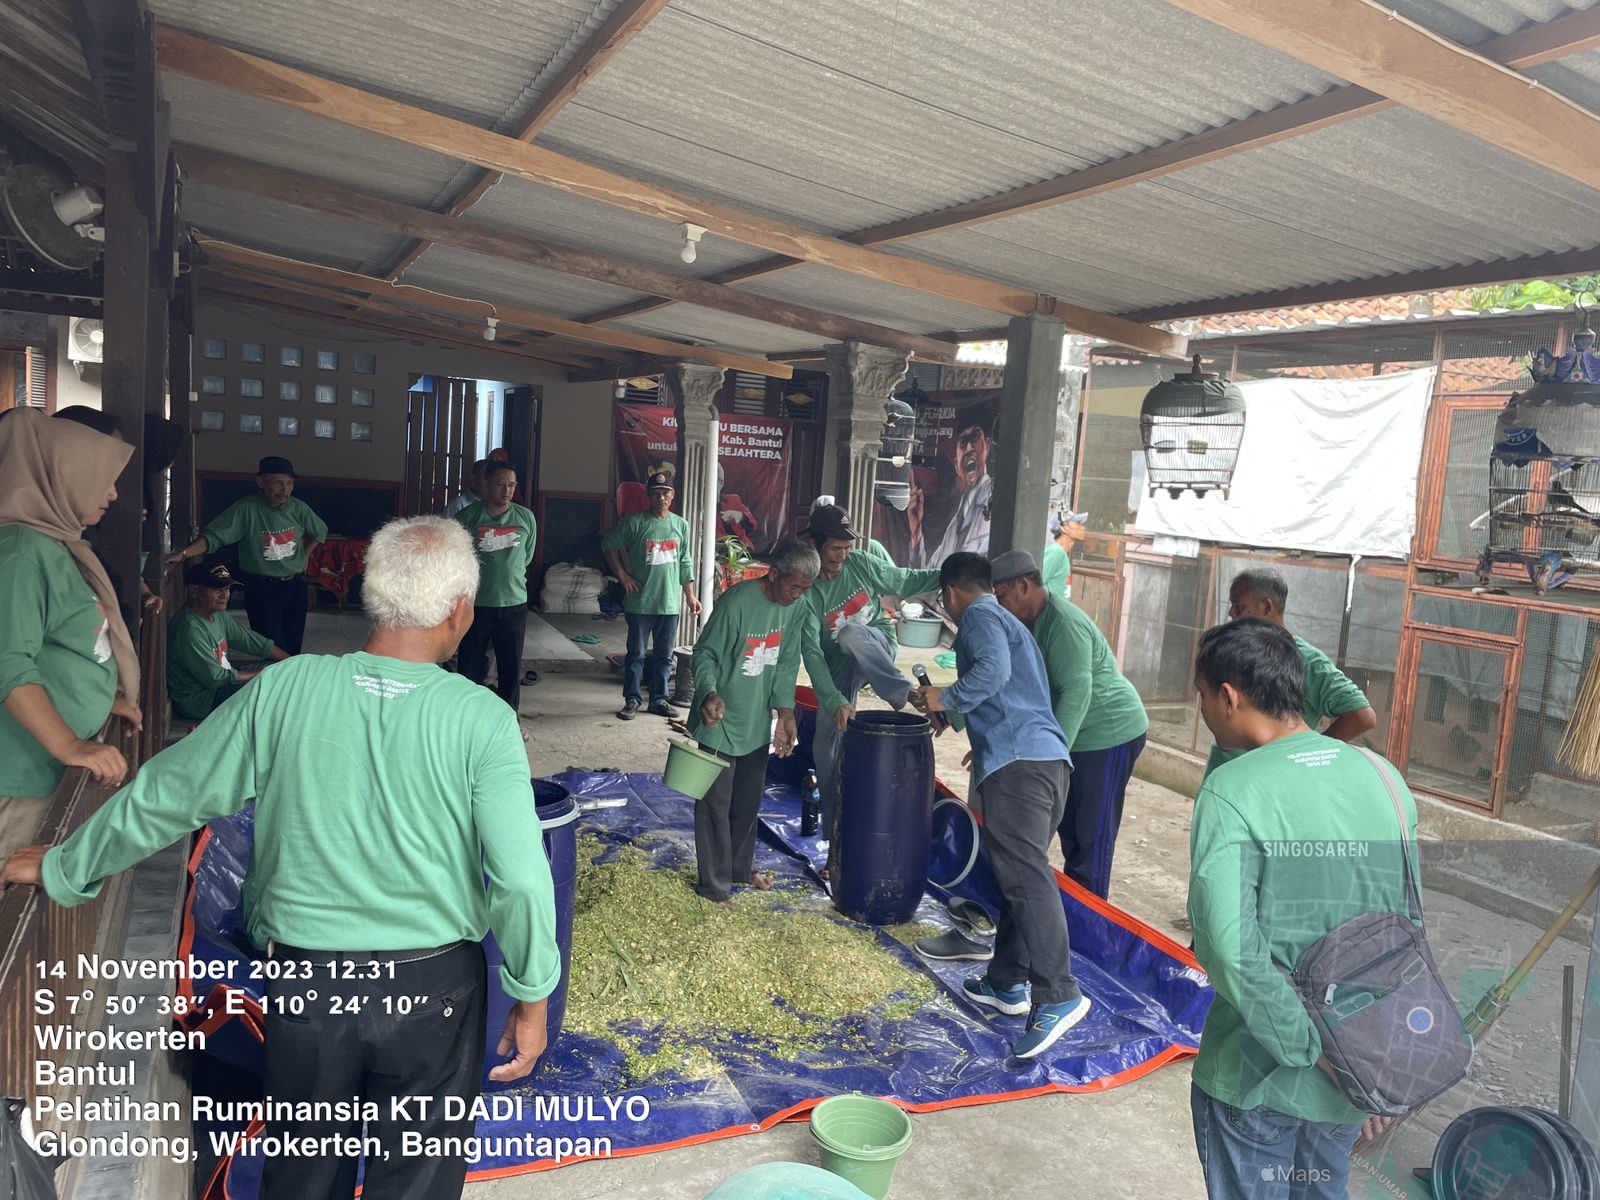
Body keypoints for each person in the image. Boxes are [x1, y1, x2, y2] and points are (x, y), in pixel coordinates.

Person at [2, 516, 561, 1200]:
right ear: (461, 610)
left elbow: (168, 793)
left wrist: (65, 865)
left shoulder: (285, 688)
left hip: (310, 983)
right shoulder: (483, 718)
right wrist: (532, 994)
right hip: (434, 988)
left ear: (369, 594)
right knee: (417, 1176)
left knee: (303, 1174)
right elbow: (520, 878)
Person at [1188, 617, 1418, 1199]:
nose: (1203, 710)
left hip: (1258, 1075)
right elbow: (1405, 932)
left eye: (1202, 695)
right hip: (1353, 1075)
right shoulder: (1384, 778)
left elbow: (1230, 949)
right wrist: (1370, 1066)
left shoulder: (1233, 789)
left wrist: (1313, 1050)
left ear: (1229, 696)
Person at [910, 552, 1090, 1059]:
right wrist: (952, 710)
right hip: (1046, 763)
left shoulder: (979, 617)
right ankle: (1006, 981)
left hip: (1020, 766)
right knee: (1018, 876)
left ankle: (1058, 993)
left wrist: (944, 699)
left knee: (1027, 878)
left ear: (950, 593)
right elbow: (1004, 688)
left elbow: (993, 670)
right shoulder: (1008, 622)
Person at [0, 411, 141, 798]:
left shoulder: (56, 544)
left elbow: (62, 646)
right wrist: (69, 744)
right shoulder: (20, 553)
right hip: (21, 780)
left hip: (47, 772)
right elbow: (7, 660)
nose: (113, 494)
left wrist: (100, 700)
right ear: (61, 477)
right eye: (103, 479)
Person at [991, 550, 1148, 899]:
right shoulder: (1026, 625)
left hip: (1107, 733)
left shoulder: (1063, 624)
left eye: (1002, 596)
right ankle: (1070, 916)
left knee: (1091, 841)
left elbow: (1077, 692)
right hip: (1076, 736)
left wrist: (1053, 756)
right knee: (1072, 832)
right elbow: (1020, 687)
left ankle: (1087, 922)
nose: (1000, 605)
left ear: (1023, 586)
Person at [797, 504, 940, 855]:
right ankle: (834, 840)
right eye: (835, 548)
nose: (842, 555)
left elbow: (903, 581)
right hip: (840, 668)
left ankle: (903, 693)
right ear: (815, 545)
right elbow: (812, 656)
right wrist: (835, 702)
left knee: (852, 634)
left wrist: (949, 574)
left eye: (847, 547)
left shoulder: (860, 563)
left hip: (877, 648)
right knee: (825, 746)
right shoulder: (807, 592)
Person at [688, 539, 818, 902]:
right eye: (794, 586)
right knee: (714, 806)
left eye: (805, 589)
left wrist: (785, 712)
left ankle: (739, 870)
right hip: (719, 720)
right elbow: (706, 653)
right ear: (773, 574)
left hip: (756, 722)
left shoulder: (796, 607)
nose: (798, 595)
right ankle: (714, 886)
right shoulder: (737, 603)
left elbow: (787, 660)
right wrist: (709, 692)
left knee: (747, 804)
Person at [1206, 569, 1377, 778]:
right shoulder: (1234, 652)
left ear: (1266, 607)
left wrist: (1307, 753)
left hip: (1263, 784)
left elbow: (1362, 717)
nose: (1231, 613)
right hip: (1221, 779)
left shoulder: (1307, 661)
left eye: (1239, 606)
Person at [169, 455, 327, 655]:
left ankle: (291, 674)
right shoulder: (246, 509)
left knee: (293, 646)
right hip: (262, 587)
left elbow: (320, 531)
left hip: (295, 585)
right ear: (261, 482)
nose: (285, 489)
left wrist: (305, 554)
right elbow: (214, 537)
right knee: (271, 646)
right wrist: (183, 553)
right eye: (278, 483)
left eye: (289, 483)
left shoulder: (298, 508)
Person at [604, 471, 701, 720]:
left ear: (673, 495)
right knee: (635, 654)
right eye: (656, 493)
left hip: (669, 604)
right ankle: (632, 699)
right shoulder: (635, 523)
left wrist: (690, 596)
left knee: (664, 656)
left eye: (666, 493)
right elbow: (609, 544)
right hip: (640, 603)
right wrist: (623, 576)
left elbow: (685, 561)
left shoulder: (680, 525)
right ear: (648, 496)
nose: (661, 498)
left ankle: (659, 700)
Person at [456, 461, 538, 711]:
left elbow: (527, 556)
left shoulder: (525, 518)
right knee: (469, 667)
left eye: (511, 485)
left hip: (514, 604)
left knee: (510, 668)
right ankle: (466, 717)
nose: (507, 490)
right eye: (500, 484)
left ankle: (509, 717)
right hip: (477, 604)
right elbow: (458, 559)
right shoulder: (468, 518)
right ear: (486, 484)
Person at [167, 561, 289, 721]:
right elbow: (216, 678)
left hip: (222, 683)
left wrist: (293, 662)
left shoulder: (217, 614)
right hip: (201, 700)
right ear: (194, 591)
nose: (225, 595)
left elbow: (254, 643)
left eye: (227, 589)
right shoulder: (189, 628)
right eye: (217, 589)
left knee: (279, 671)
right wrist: (262, 675)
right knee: (273, 686)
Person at [917, 412, 994, 566]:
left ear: (987, 446)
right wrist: (916, 533)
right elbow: (930, 572)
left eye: (974, 438)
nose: (969, 449)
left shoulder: (994, 496)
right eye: (963, 443)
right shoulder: (956, 518)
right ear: (956, 464)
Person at [1041, 510, 1087, 600]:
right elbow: (1035, 584)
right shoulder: (1056, 552)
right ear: (1064, 528)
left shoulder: (1062, 553)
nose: (1083, 528)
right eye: (1078, 523)